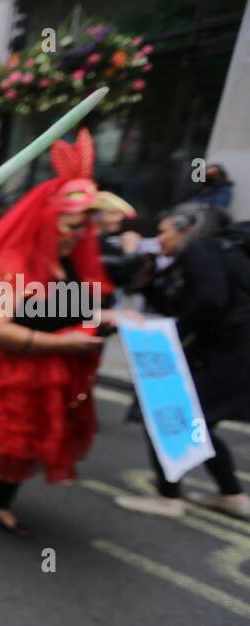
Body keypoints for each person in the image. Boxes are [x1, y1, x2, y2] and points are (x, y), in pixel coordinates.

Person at [0, 129, 138, 536]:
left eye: (84, 225)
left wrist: (108, 320)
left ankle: (2, 503)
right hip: (5, 370)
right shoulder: (9, 263)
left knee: (30, 444)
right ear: (49, 218)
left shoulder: (72, 262)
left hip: (51, 373)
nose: (78, 234)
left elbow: (73, 309)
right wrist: (63, 341)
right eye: (71, 224)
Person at [114, 203, 250, 519]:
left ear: (186, 229)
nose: (159, 240)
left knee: (169, 417)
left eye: (163, 232)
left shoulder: (202, 251)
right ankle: (232, 495)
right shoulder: (222, 253)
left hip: (228, 356)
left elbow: (208, 301)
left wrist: (173, 336)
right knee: (195, 423)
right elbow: (191, 303)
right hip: (231, 356)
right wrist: (148, 282)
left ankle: (169, 499)